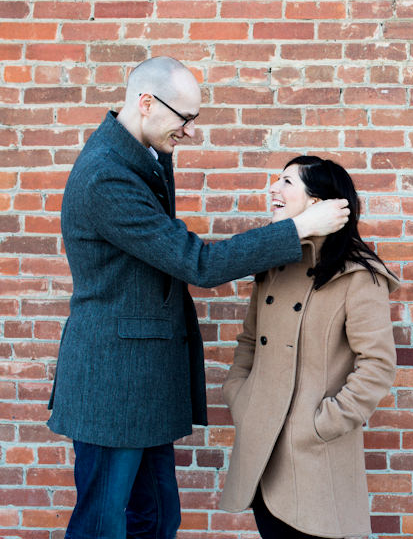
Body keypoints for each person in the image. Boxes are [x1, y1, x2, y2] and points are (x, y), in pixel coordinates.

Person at [47, 57, 350, 539]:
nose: (189, 131)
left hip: (143, 380)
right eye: (184, 118)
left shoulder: (144, 155)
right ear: (145, 103)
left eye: (195, 119)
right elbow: (197, 265)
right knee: (102, 524)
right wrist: (298, 228)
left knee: (159, 517)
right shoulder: (108, 177)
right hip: (113, 382)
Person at [219, 156, 398, 539]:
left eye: (286, 182)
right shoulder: (274, 265)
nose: (273, 189)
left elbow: (377, 365)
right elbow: (249, 341)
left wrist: (320, 425)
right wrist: (240, 395)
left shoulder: (358, 276)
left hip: (313, 450)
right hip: (263, 447)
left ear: (317, 203)